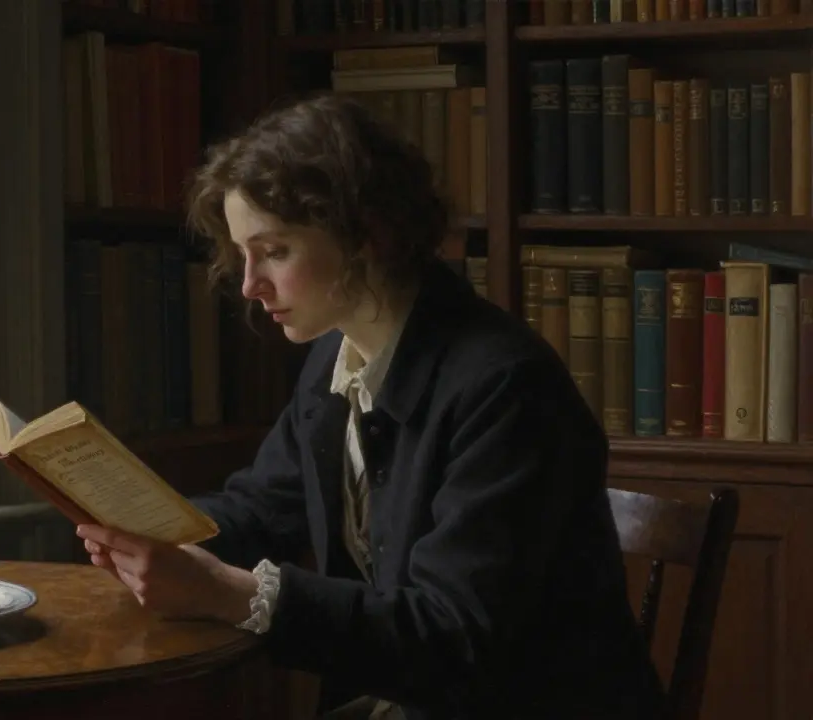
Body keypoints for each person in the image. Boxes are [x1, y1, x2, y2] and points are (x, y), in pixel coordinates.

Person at [76, 92, 666, 720]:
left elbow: (455, 635)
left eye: (275, 251)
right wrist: (141, 529)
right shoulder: (339, 361)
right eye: (245, 255)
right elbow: (260, 508)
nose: (250, 285)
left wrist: (233, 593)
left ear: (368, 234)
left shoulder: (505, 386)